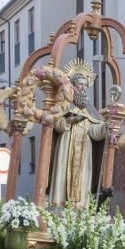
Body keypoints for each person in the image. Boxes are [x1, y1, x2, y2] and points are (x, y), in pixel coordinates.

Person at [49, 65, 109, 208]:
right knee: (62, 175)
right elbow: (54, 124)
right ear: (73, 86)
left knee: (83, 177)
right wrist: (68, 121)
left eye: (84, 85)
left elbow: (94, 130)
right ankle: (60, 206)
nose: (82, 88)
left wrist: (106, 127)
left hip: (84, 150)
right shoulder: (64, 104)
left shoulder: (90, 109)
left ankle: (80, 207)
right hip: (66, 147)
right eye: (79, 85)